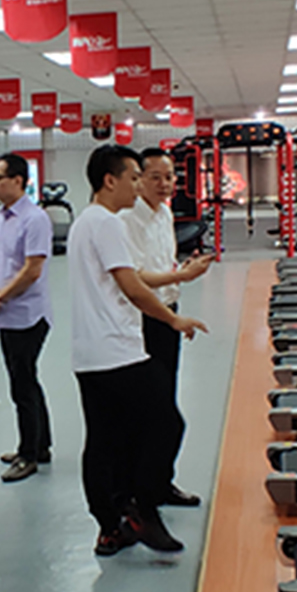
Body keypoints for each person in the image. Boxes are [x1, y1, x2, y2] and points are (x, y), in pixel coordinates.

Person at [69, 145, 206, 557]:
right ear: (110, 180)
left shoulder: (83, 222)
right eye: (133, 178)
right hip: (118, 349)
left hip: (88, 352)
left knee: (103, 439)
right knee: (166, 424)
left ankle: (110, 525)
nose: (138, 186)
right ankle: (143, 509)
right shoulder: (108, 223)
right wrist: (173, 319)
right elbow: (132, 286)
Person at [123, 148, 213, 509]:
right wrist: (181, 276)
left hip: (169, 313)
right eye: (155, 177)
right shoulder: (128, 218)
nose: (165, 184)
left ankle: (160, 483)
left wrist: (181, 272)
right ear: (138, 179)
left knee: (166, 399)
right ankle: (139, 489)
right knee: (156, 410)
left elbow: (163, 265)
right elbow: (135, 276)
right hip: (144, 318)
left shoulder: (164, 213)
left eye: (170, 176)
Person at [0, 153, 53, 482]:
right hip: (6, 314)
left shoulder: (34, 219)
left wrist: (3, 296)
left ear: (19, 180)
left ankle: (28, 455)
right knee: (26, 380)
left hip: (28, 315)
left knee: (22, 386)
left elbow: (32, 269)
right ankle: (40, 445)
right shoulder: (0, 220)